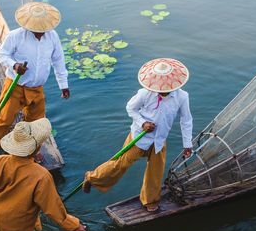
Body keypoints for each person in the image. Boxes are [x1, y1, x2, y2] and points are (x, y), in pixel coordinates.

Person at [82, 58, 193, 212]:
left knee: (155, 173)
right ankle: (92, 178)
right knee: (120, 164)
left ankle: (149, 200)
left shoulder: (182, 97)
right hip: (139, 138)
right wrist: (143, 123)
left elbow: (186, 120)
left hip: (159, 141)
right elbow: (130, 108)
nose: (162, 90)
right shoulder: (145, 93)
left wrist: (187, 144)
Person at [0, 2, 70, 155]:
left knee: (36, 124)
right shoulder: (16, 36)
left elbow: (58, 61)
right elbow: (1, 55)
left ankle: (31, 152)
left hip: (37, 89)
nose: (40, 32)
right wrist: (14, 65)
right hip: (16, 86)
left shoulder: (52, 37)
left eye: (43, 29)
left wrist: (64, 85)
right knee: (4, 119)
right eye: (37, 29)